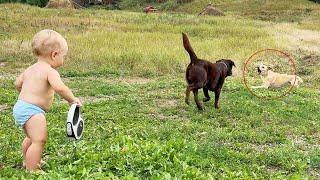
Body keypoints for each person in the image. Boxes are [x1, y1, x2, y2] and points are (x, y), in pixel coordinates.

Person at [13, 29, 82, 171]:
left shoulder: (30, 69)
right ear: (54, 55)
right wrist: (72, 100)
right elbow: (60, 88)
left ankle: (28, 160)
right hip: (33, 111)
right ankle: (33, 170)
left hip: (21, 106)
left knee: (32, 138)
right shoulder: (50, 71)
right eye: (64, 56)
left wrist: (27, 94)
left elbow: (17, 84)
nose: (63, 60)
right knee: (39, 140)